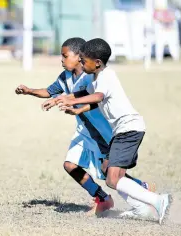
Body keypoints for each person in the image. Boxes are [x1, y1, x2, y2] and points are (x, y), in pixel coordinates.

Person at [16, 37, 156, 217]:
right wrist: (29, 91)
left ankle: (142, 190)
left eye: (65, 56)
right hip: (83, 130)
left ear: (78, 56)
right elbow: (50, 91)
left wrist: (70, 99)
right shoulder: (65, 77)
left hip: (101, 132)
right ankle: (102, 198)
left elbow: (95, 97)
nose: (62, 59)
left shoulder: (92, 75)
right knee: (70, 165)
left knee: (109, 173)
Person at [47, 38, 171, 224]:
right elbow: (84, 96)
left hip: (129, 128)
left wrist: (70, 101)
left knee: (112, 179)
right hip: (122, 130)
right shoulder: (96, 79)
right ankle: (141, 208)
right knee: (108, 171)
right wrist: (69, 103)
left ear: (97, 63)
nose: (80, 63)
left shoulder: (107, 76)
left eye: (83, 60)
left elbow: (97, 97)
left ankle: (159, 201)